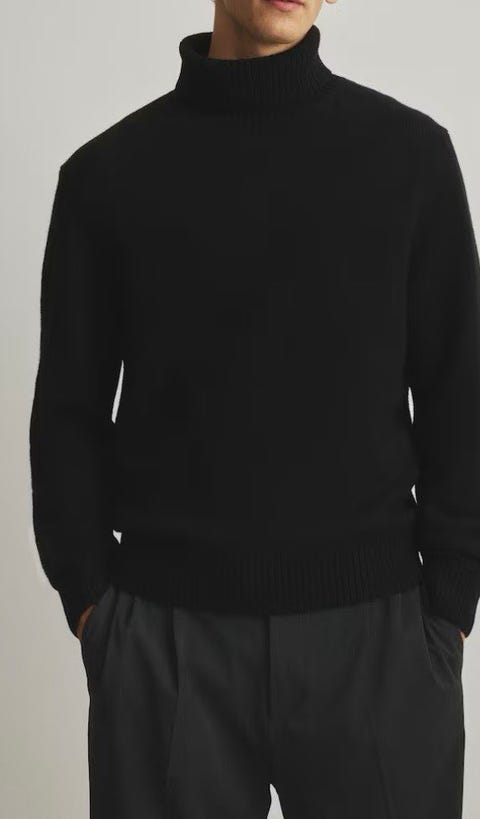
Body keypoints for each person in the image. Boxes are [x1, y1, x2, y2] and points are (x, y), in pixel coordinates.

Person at [29, 0, 479, 816]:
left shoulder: (411, 160)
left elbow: (461, 395)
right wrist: (95, 608)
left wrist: (448, 607)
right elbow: (67, 413)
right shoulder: (106, 177)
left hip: (380, 646)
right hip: (165, 647)